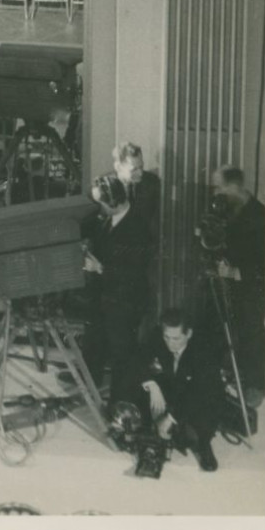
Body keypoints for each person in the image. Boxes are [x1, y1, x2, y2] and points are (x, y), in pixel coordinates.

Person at [83, 167, 157, 401]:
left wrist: (100, 268)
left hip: (126, 301)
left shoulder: (138, 228)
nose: (99, 208)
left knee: (121, 355)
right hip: (105, 297)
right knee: (94, 343)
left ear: (114, 202)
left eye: (101, 204)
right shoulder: (108, 218)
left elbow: (134, 271)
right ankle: (90, 389)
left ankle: (120, 404)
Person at [128, 310, 225, 472]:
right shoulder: (159, 336)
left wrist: (170, 418)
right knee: (136, 383)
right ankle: (147, 431)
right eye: (167, 337)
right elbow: (137, 358)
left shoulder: (205, 351)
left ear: (189, 334)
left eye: (176, 339)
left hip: (198, 395)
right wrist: (151, 384)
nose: (170, 343)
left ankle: (203, 444)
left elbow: (198, 393)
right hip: (173, 386)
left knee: (206, 411)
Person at [210, 166, 265, 400]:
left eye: (218, 187)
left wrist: (235, 272)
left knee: (252, 334)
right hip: (230, 288)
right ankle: (233, 382)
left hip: (251, 289)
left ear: (233, 186)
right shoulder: (228, 209)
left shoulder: (259, 216)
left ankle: (255, 388)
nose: (215, 193)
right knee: (232, 333)